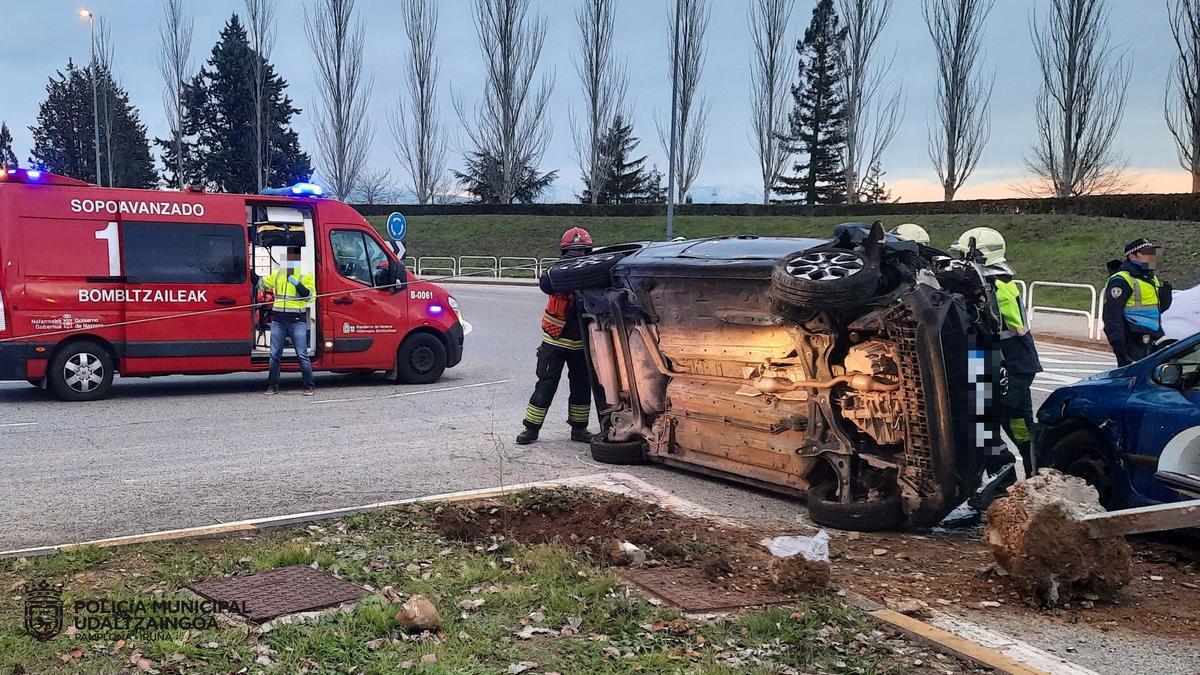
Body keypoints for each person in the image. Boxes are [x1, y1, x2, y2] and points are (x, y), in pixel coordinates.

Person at [950, 227, 1041, 506]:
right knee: (998, 430)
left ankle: (1028, 486)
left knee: (993, 429)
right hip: (1006, 364)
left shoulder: (992, 288)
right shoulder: (1000, 282)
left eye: (964, 254)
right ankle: (1024, 486)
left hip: (1005, 365)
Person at [516, 227, 595, 445]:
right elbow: (546, 284)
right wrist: (570, 272)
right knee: (546, 385)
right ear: (564, 253)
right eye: (573, 252)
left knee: (582, 386)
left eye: (582, 252)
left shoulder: (593, 275)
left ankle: (579, 429)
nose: (578, 256)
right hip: (555, 341)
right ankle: (531, 429)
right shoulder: (556, 273)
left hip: (581, 343)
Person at [1103, 239, 1173, 367]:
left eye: (1153, 253)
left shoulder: (1150, 278)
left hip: (1150, 337)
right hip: (1132, 339)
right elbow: (1112, 315)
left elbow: (1156, 309)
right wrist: (1119, 345)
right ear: (1131, 256)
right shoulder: (1122, 279)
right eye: (1146, 253)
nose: (1152, 257)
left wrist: (1166, 296)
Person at [262, 247, 317, 395]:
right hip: (278, 321)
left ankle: (309, 385)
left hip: (296, 321)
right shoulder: (278, 274)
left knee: (302, 354)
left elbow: (310, 296)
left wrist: (297, 284)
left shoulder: (305, 275)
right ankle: (272, 386)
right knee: (274, 355)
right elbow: (263, 283)